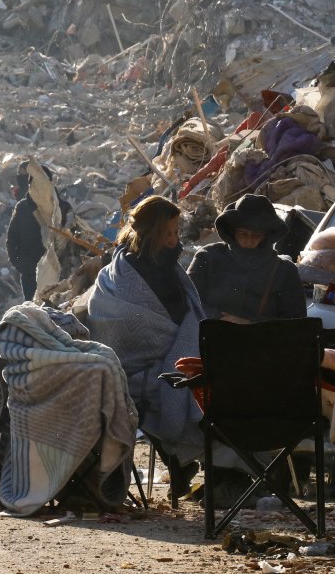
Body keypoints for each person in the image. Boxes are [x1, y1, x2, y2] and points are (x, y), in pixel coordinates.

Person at [79, 196, 205, 500]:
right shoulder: (126, 274)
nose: (176, 241)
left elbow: (179, 320)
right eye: (170, 234)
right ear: (153, 234)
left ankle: (178, 463)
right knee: (157, 393)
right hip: (127, 370)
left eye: (177, 233)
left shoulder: (161, 268)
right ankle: (177, 462)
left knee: (165, 387)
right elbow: (112, 318)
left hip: (156, 365)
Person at [186, 194, 307, 323]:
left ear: (266, 236)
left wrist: (251, 324)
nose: (249, 240)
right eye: (243, 233)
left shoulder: (285, 271)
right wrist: (219, 318)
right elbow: (186, 301)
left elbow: (296, 323)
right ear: (233, 231)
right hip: (206, 339)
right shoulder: (208, 256)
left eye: (256, 235)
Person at [4, 167, 48, 301]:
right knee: (32, 308)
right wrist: (18, 263)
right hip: (29, 270)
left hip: (53, 271)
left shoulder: (58, 207)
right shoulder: (23, 207)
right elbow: (11, 238)